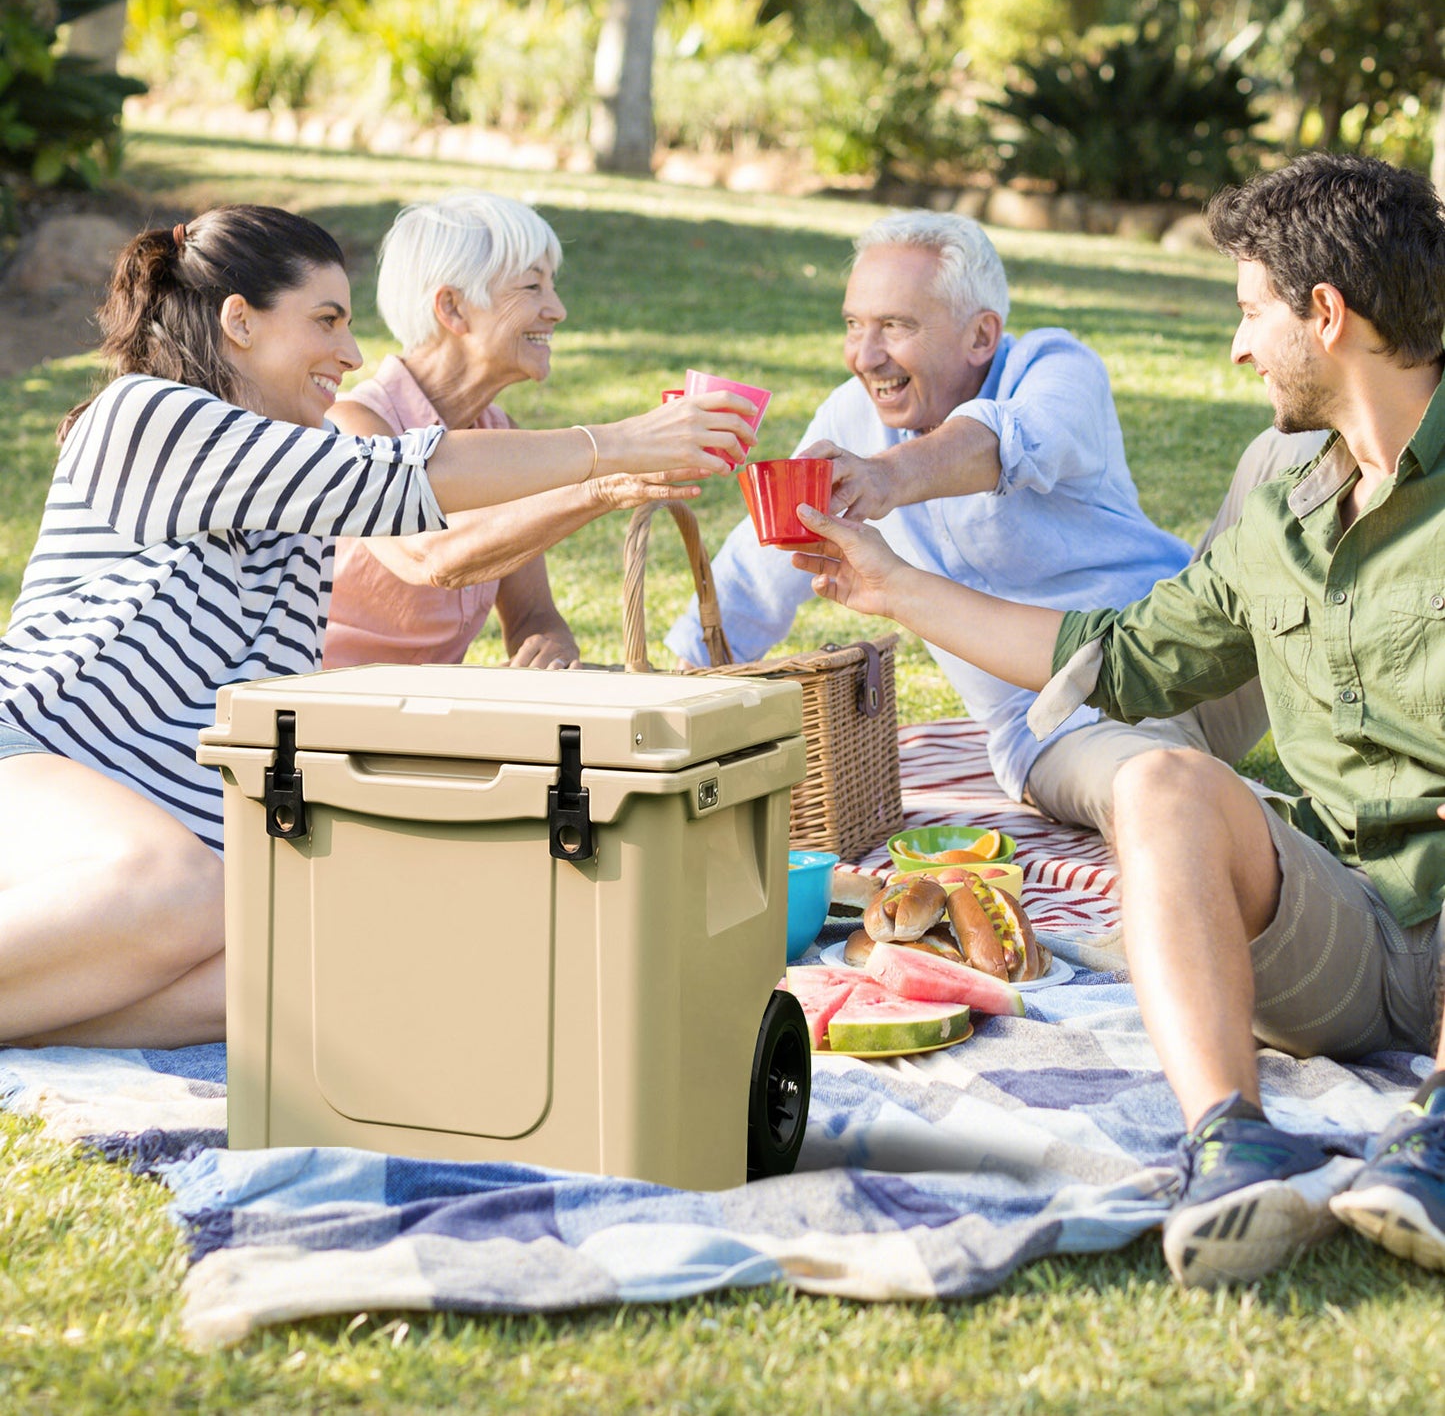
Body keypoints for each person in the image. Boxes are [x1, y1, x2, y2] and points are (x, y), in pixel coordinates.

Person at [789, 153, 1445, 1287]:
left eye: (1250, 312)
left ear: (1324, 315)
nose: (1236, 345)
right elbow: (1127, 654)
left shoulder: (1057, 374)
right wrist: (888, 584)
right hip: (1341, 923)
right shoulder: (1284, 492)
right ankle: (1231, 1146)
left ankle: (1432, 1147)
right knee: (1156, 781)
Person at [0, 204, 754, 1050]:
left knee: (346, 960)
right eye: (326, 321)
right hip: (32, 760)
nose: (353, 354)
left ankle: (36, 1007)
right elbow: (395, 481)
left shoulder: (298, 511)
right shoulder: (144, 415)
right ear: (240, 321)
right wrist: (618, 443)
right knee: (184, 887)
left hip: (173, 844)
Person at [666, 211, 1304, 841]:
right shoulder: (850, 418)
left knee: (1291, 452)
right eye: (855, 324)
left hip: (1192, 652)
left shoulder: (1056, 367)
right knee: (1168, 797)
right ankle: (1302, 846)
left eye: (895, 325)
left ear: (981, 336)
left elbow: (1008, 440)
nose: (865, 355)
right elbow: (761, 564)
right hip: (1062, 725)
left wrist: (887, 475)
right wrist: (670, 698)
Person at [324, 192, 701, 670]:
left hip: (427, 721)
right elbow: (430, 554)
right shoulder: (352, 427)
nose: (558, 310)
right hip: (319, 718)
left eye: (552, 286)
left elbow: (531, 614)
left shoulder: (500, 433)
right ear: (453, 308)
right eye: (531, 288)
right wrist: (600, 485)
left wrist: (550, 642)